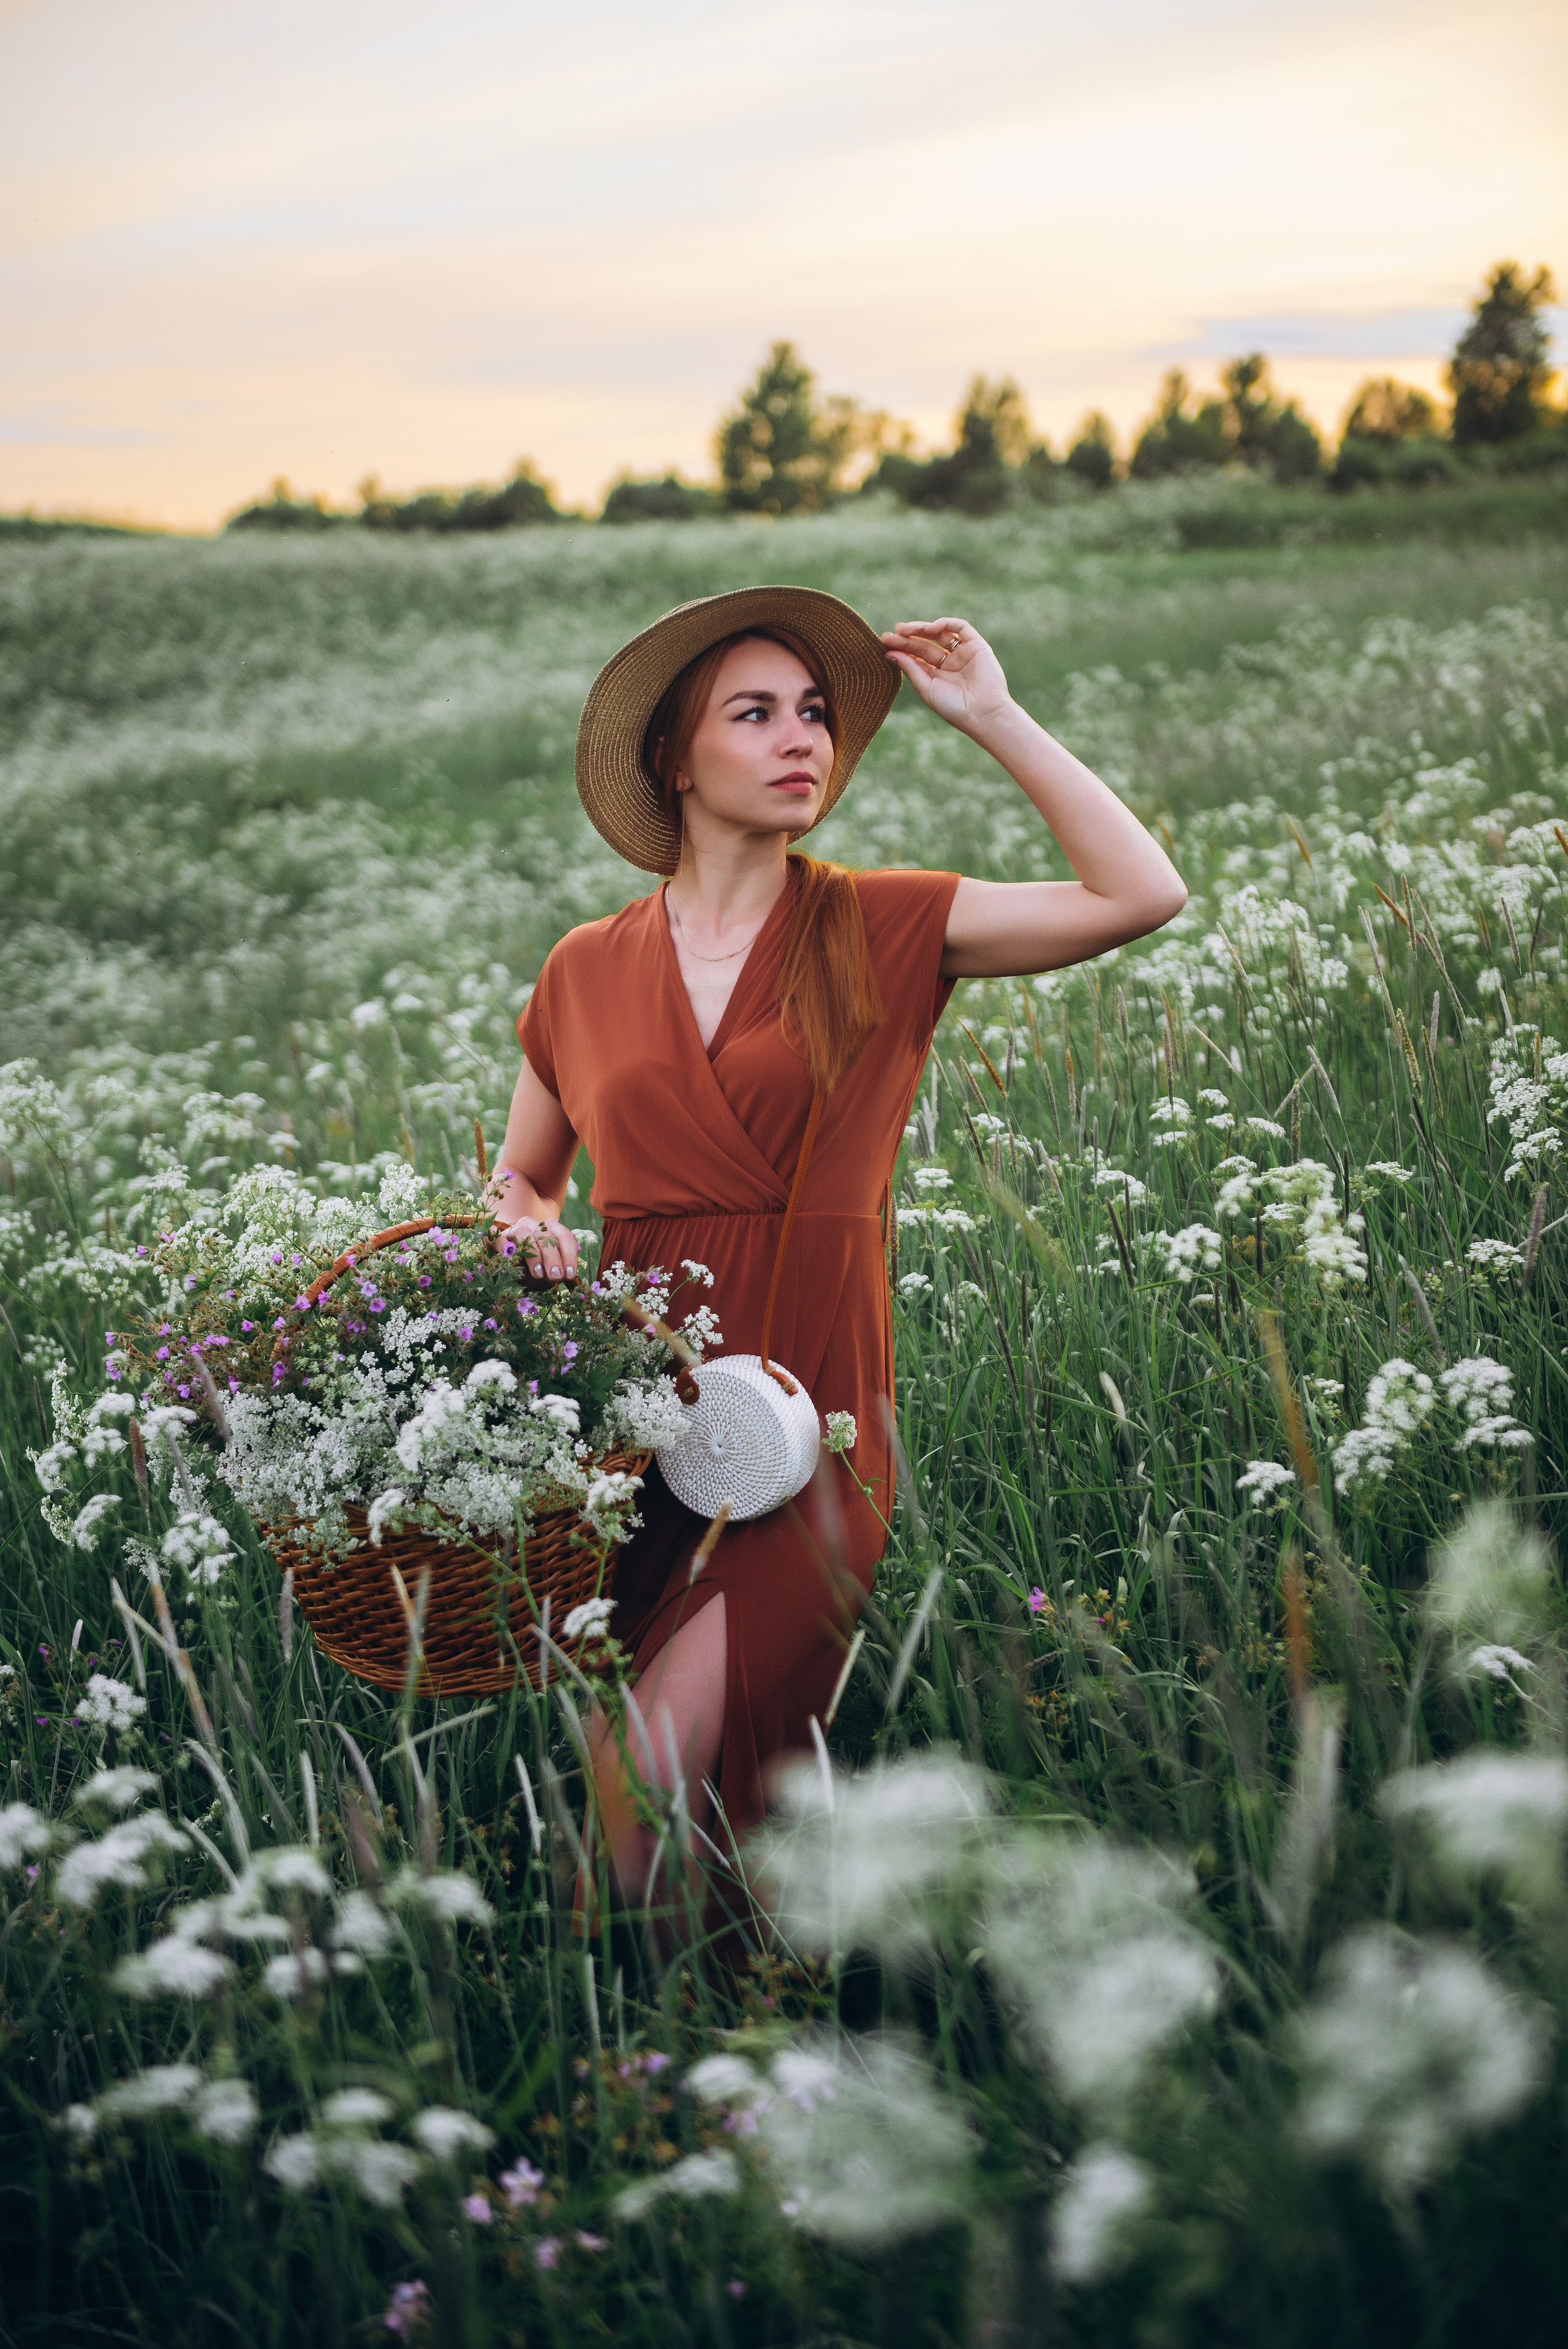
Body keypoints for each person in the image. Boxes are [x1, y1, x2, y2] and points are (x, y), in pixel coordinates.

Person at [488, 585, 1185, 1919]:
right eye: (753, 714)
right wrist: (527, 1227)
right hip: (630, 1427)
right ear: (672, 761)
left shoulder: (881, 923)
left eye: (812, 714)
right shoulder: (581, 967)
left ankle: (694, 2040)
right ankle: (707, 2043)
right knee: (645, 1811)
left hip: (806, 1418)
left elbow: (1138, 894)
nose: (799, 737)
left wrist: (994, 715)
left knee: (659, 1764)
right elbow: (526, 1173)